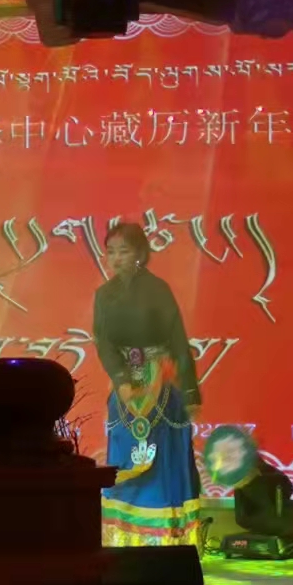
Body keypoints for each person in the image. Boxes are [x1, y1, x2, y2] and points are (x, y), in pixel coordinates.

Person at [92, 222, 203, 547]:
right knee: (126, 459)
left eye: (124, 251)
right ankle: (124, 539)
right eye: (111, 251)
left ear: (140, 253)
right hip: (125, 392)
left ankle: (167, 541)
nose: (116, 258)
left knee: (163, 462)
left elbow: (178, 342)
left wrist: (191, 392)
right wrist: (122, 382)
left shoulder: (158, 290)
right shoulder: (104, 295)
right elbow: (104, 345)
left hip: (161, 387)